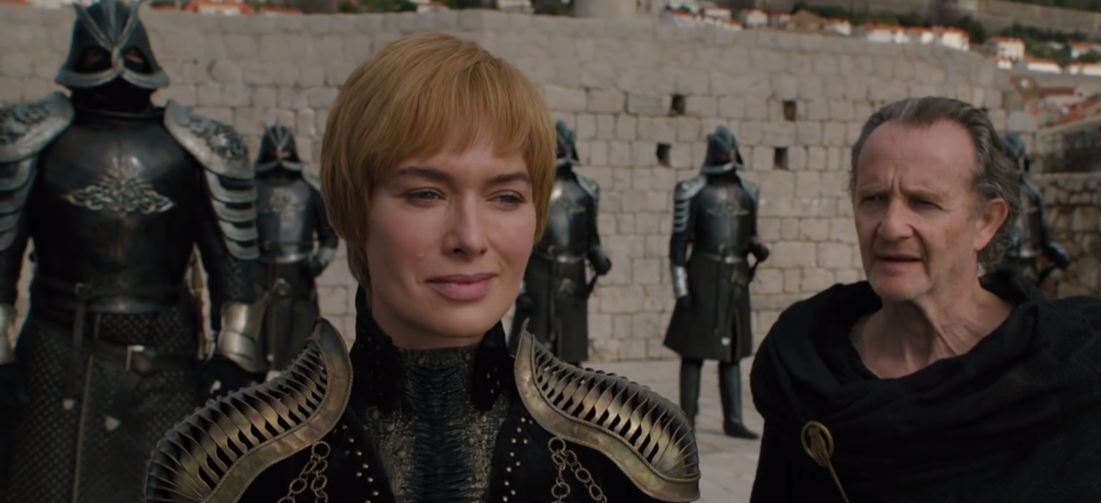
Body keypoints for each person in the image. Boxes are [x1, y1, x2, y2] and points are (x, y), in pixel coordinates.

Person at [144, 32, 701, 503]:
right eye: (425, 194)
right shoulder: (221, 466)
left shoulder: (635, 450)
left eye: (506, 197)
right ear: (353, 208)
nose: (470, 238)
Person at [748, 96, 1101, 503]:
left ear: (986, 221)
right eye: (873, 198)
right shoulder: (806, 373)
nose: (891, 227)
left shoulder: (1084, 376)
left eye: (923, 202)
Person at [0, 0, 267, 501]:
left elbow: (233, 259)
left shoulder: (199, 145)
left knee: (167, 486)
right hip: (58, 353)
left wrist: (235, 352)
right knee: (45, 487)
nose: (117, 65)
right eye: (100, 56)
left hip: (164, 354)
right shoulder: (29, 139)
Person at [663, 125, 769, 440]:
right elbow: (679, 243)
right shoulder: (691, 190)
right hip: (702, 274)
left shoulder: (748, 191)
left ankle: (733, 419)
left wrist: (757, 247)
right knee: (693, 351)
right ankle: (687, 419)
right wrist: (681, 287)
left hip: (735, 277)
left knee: (732, 353)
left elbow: (749, 234)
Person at [510, 120, 612, 366]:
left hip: (572, 277)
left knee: (570, 355)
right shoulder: (531, 190)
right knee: (529, 355)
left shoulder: (587, 190)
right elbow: (517, 244)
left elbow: (590, 238)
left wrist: (599, 257)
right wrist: (521, 288)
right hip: (539, 273)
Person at [253, 121, 339, 377]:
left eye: (284, 152)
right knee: (255, 345)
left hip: (299, 272)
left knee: (300, 345)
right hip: (259, 272)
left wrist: (318, 262)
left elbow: (329, 236)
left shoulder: (310, 188)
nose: (279, 158)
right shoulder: (251, 188)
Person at [1000, 132, 1071, 285]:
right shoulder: (988, 196)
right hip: (999, 266)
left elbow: (1045, 239)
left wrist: (1057, 253)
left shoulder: (1033, 196)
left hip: (1028, 269)